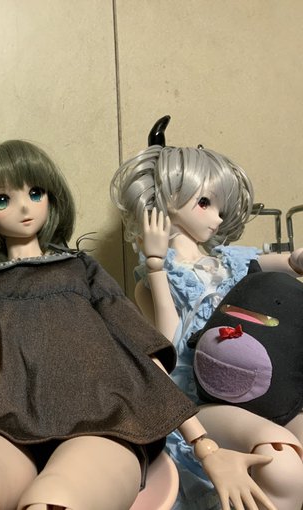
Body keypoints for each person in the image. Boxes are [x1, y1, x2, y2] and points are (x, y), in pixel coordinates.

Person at [0, 139, 274, 510]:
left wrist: (205, 447)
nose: (24, 207)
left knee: (55, 500)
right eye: (2, 199)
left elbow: (142, 352)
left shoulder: (81, 271)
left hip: (102, 423)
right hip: (0, 430)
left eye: (35, 193)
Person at [110, 116, 303, 509]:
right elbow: (169, 342)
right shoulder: (153, 279)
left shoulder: (230, 261)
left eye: (219, 206)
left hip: (264, 385)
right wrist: (155, 267)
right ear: (166, 201)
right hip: (201, 399)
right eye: (204, 203)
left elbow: (281, 265)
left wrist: (296, 260)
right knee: (279, 458)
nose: (217, 217)